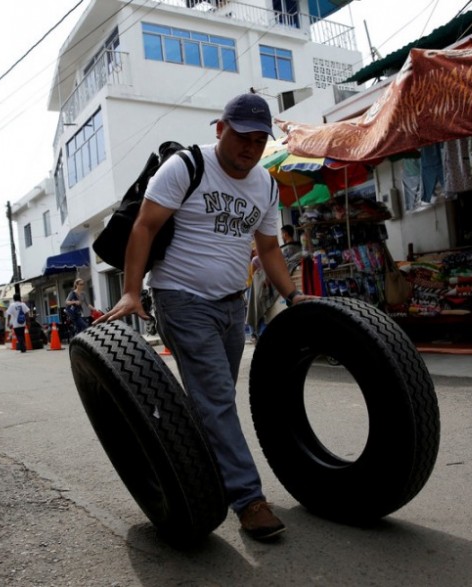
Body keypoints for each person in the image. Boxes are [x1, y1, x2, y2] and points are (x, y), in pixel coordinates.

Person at [98, 93, 311, 541]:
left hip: (232, 306)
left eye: (258, 139)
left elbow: (269, 249)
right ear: (220, 128)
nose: (249, 147)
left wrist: (293, 296)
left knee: (213, 401)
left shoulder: (266, 186)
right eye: (241, 136)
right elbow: (145, 226)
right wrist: (133, 290)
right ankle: (249, 501)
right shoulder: (186, 167)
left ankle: (177, 453)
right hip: (182, 298)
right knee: (215, 398)